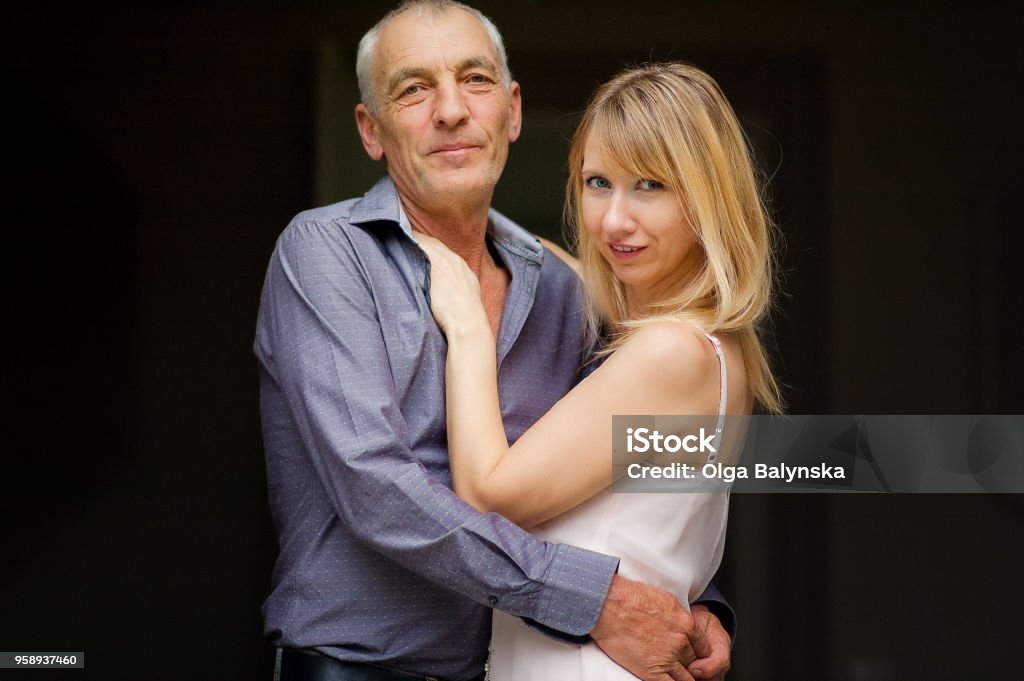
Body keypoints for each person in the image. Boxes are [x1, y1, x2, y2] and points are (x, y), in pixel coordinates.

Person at [255, 2, 733, 680]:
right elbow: (376, 488)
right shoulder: (327, 254)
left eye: (474, 80)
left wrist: (689, 601)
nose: (451, 110)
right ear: (371, 129)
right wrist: (592, 599)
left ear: (511, 111)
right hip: (359, 667)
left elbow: (611, 467)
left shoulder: (567, 289)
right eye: (414, 88)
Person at [415, 61, 781, 679]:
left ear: (708, 198)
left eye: (650, 185)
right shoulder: (707, 344)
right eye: (596, 182)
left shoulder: (671, 352)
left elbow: (487, 498)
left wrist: (470, 330)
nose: (613, 221)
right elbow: (566, 269)